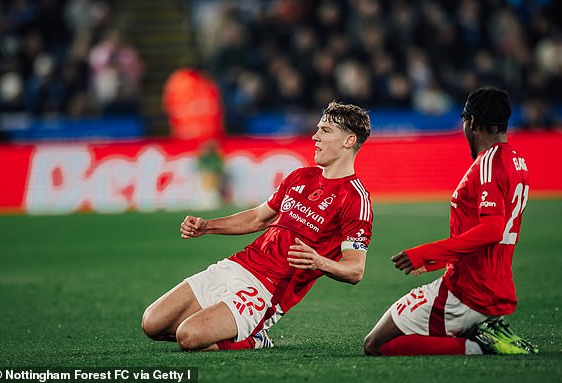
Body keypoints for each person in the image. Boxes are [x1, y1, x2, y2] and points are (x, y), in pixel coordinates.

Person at [142, 101, 373, 351]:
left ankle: (254, 338)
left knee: (189, 337)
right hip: (239, 265)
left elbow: (355, 270)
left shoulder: (355, 198)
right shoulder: (301, 177)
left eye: (325, 131)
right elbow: (257, 218)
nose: (315, 136)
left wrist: (319, 262)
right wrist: (207, 226)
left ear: (348, 141)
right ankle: (229, 327)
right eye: (318, 129)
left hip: (266, 289)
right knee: (152, 323)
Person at [363, 87, 539, 356]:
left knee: (376, 344)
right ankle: (484, 330)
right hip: (493, 287)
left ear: (473, 123)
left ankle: (479, 345)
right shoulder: (517, 161)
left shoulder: (489, 163)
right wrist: (437, 262)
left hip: (466, 291)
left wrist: (425, 253)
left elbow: (492, 230)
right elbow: (487, 234)